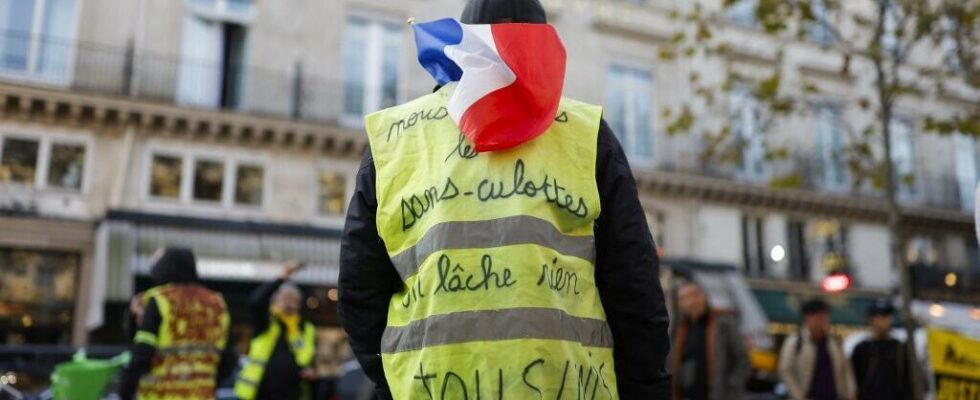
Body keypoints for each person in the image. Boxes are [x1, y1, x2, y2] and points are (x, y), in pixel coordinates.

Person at [338, 0, 671, 398]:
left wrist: (395, 378)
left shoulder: (396, 139)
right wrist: (646, 386)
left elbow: (360, 287)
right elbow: (633, 285)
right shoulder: (587, 134)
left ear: (463, 44)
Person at [117, 247, 236, 400]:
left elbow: (142, 354)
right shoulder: (217, 303)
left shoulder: (159, 300)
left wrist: (124, 392)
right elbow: (229, 358)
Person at [234, 261, 318, 400]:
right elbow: (257, 300)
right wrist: (282, 277)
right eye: (286, 299)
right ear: (275, 302)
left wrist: (312, 370)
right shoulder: (267, 322)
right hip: (261, 394)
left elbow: (310, 359)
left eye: (294, 300)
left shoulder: (305, 329)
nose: (290, 304)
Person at [670, 280, 750, 400]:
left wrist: (732, 387)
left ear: (704, 297)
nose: (689, 302)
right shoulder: (678, 328)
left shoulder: (724, 325)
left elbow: (742, 360)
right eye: (683, 298)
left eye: (693, 296)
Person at [778, 299, 856, 400]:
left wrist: (850, 393)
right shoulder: (796, 342)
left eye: (825, 316)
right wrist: (799, 396)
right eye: (819, 317)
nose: (824, 321)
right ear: (808, 318)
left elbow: (845, 369)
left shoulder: (834, 342)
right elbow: (786, 370)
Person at [850, 299, 912, 400]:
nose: (886, 321)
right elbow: (853, 381)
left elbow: (908, 383)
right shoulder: (861, 349)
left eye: (888, 316)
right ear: (871, 320)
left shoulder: (899, 348)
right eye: (882, 316)